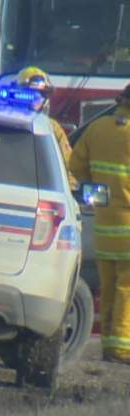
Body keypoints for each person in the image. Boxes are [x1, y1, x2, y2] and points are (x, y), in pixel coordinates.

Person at [69, 83, 130, 365]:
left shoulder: (97, 128)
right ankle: (120, 348)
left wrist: (96, 188)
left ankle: (110, 345)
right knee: (126, 288)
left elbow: (76, 167)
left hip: (104, 226)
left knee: (108, 286)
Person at [17, 66, 75, 188]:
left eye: (41, 94)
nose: (37, 98)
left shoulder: (52, 128)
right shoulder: (7, 120)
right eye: (30, 93)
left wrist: (71, 192)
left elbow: (68, 167)